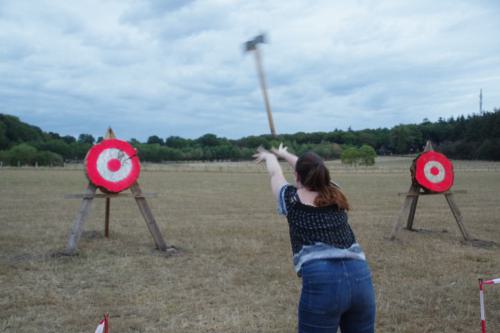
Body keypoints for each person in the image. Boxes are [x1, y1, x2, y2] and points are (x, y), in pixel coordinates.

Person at [253, 144, 376, 333]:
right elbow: (310, 168)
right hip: (361, 275)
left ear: (297, 176)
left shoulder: (290, 198)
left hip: (323, 279)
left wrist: (270, 157)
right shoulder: (335, 192)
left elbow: (275, 174)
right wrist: (285, 154)